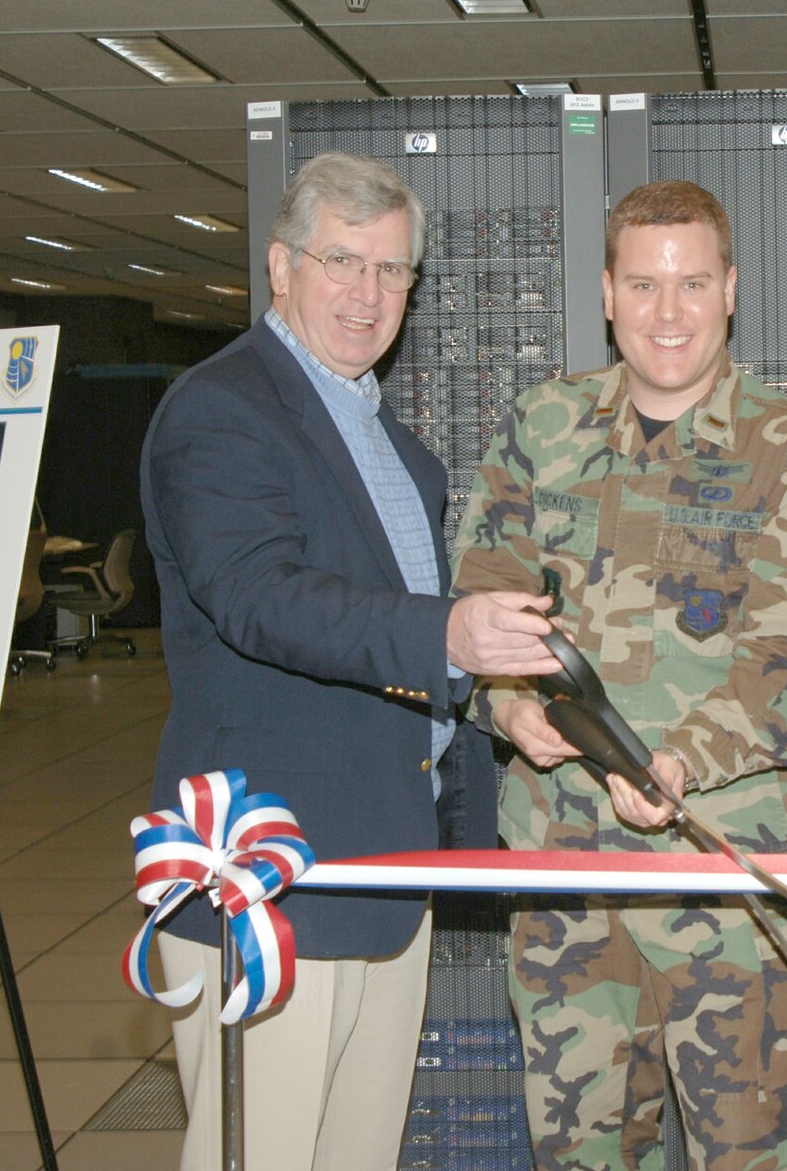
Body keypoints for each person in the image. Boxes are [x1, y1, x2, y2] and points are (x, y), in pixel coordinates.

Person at [142, 151, 559, 1171]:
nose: (369, 294)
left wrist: (487, 702)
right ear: (281, 267)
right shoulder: (220, 410)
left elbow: (402, 655)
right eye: (344, 261)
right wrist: (447, 636)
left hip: (382, 869)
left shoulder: (401, 453)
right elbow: (257, 597)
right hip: (268, 876)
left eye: (393, 270)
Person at [452, 179, 787, 1170]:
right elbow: (479, 612)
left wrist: (677, 761)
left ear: (731, 288)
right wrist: (507, 706)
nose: (666, 312)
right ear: (605, 292)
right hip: (564, 877)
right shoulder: (537, 429)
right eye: (642, 284)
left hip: (716, 868)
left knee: (744, 1151)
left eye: (689, 283)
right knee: (579, 1153)